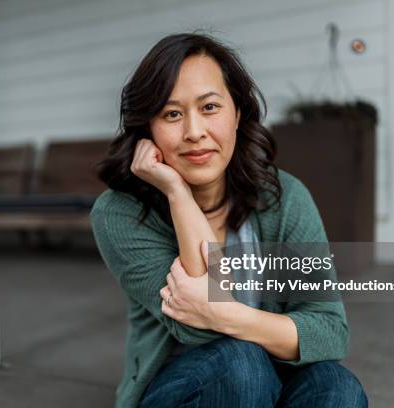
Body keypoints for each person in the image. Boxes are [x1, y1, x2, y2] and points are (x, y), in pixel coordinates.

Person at [90, 33, 367, 408]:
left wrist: (228, 314)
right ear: (148, 130)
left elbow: (330, 331)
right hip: (181, 388)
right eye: (172, 114)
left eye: (209, 107)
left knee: (337, 387)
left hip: (273, 377)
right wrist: (177, 193)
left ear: (237, 113)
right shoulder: (120, 213)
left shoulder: (284, 197)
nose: (194, 132)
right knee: (241, 364)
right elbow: (195, 326)